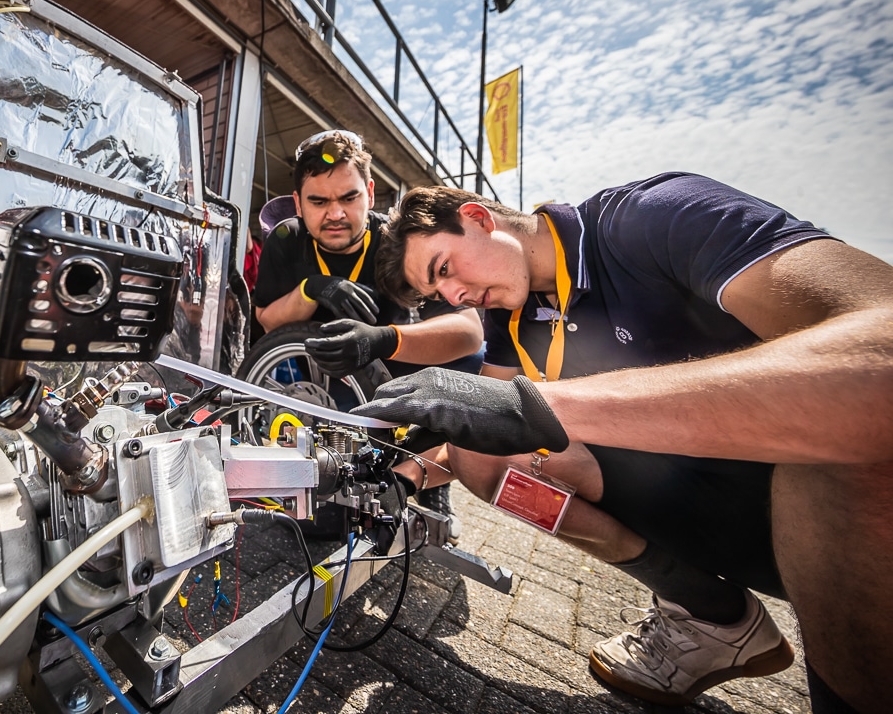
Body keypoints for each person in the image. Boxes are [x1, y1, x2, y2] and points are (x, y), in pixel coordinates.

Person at [353, 173, 892, 713]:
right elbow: (486, 431)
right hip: (706, 502)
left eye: (444, 269)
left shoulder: (654, 216)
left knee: (850, 448)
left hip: (822, 509)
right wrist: (403, 474)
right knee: (481, 454)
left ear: (477, 217)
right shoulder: (508, 315)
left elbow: (882, 350)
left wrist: (544, 408)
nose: (455, 296)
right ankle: (707, 613)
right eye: (438, 295)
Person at [250, 129, 484, 530]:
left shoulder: (398, 240)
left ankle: (426, 476)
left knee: (473, 366)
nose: (335, 214)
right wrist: (311, 289)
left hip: (395, 370)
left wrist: (384, 339)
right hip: (320, 377)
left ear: (370, 193)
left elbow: (470, 333)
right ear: (298, 203)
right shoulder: (286, 238)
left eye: (349, 198)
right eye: (319, 202)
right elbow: (267, 319)